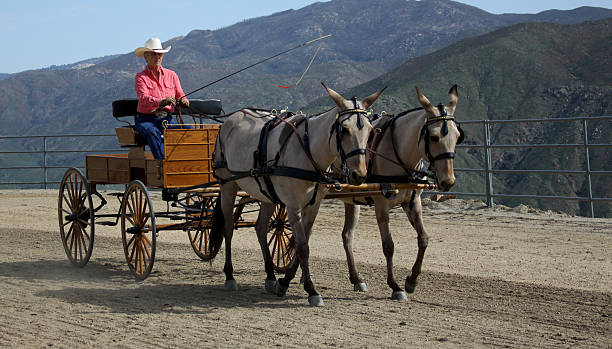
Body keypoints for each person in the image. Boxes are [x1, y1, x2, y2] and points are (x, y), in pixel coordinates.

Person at [134, 37, 191, 159]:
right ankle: (163, 164)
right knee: (152, 132)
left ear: (162, 56)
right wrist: (162, 101)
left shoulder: (172, 75)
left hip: (167, 119)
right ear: (146, 57)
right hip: (146, 120)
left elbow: (180, 93)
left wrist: (184, 100)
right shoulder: (140, 77)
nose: (157, 57)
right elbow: (143, 98)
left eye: (159, 54)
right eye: (153, 54)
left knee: (190, 131)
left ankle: (186, 162)